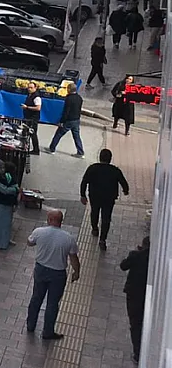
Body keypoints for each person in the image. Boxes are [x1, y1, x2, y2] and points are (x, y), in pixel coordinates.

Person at [26, 209, 81, 340]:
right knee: (52, 303)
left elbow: (29, 242)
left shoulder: (39, 232)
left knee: (36, 298)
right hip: (58, 274)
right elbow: (74, 258)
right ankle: (47, 332)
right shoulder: (68, 238)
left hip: (41, 269)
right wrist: (76, 272)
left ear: (49, 220)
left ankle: (30, 325)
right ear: (61, 221)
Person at [80, 148, 130, 250]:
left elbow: (84, 181)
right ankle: (103, 239)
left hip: (95, 196)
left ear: (100, 157)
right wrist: (125, 190)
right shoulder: (115, 170)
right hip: (109, 198)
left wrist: (83, 195)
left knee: (94, 212)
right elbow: (123, 182)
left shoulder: (93, 168)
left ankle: (94, 228)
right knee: (106, 218)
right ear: (110, 159)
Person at [121, 236, 150, 364]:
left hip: (134, 294)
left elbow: (123, 266)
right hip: (146, 294)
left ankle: (138, 353)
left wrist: (135, 253)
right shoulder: (152, 259)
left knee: (135, 323)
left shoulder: (136, 256)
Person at [48, 85, 84, 158]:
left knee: (58, 134)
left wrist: (62, 121)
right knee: (77, 137)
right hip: (76, 120)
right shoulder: (79, 98)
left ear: (69, 89)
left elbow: (66, 111)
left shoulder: (69, 98)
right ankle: (80, 152)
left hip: (68, 121)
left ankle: (52, 149)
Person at [0, 160, 20, 249]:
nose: (2, 170)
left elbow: (14, 185)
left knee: (7, 224)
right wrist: (14, 190)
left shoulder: (7, 176)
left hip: (8, 204)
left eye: (3, 167)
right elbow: (5, 190)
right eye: (0, 168)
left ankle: (5, 241)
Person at [22, 84, 42, 155]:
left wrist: (27, 107)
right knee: (25, 132)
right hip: (27, 118)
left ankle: (36, 150)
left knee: (33, 134)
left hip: (33, 119)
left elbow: (38, 108)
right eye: (28, 87)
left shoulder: (37, 97)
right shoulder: (29, 95)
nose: (29, 89)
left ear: (35, 88)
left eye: (31, 88)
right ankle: (23, 147)